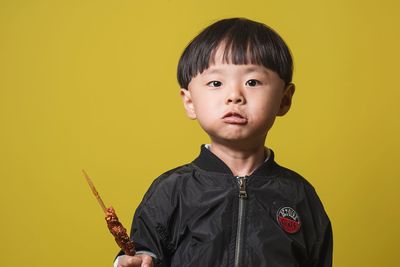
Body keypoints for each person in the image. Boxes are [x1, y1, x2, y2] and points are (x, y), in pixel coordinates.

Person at [114, 17, 333, 267]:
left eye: (252, 82)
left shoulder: (299, 195)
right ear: (190, 102)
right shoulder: (171, 191)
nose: (234, 96)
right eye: (216, 83)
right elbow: (143, 253)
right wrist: (135, 261)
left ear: (284, 99)